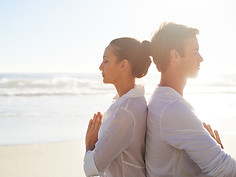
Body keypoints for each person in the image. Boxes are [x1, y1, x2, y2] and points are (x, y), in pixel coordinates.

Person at [145, 22, 236, 177]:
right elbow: (226, 170)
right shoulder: (172, 108)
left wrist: (214, 151)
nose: (201, 58)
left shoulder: (162, 99)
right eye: (195, 52)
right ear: (174, 56)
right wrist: (217, 155)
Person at [83, 37, 152, 176]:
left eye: (106, 61)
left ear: (123, 65)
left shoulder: (126, 112)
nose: (100, 66)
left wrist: (90, 145)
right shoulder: (132, 103)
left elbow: (91, 169)